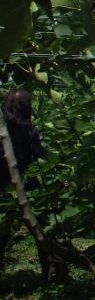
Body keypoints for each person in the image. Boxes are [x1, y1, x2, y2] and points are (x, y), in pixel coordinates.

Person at [0, 88, 54, 281]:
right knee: (42, 228)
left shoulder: (2, 130)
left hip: (2, 186)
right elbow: (40, 157)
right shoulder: (29, 130)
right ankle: (49, 272)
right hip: (28, 186)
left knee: (2, 232)